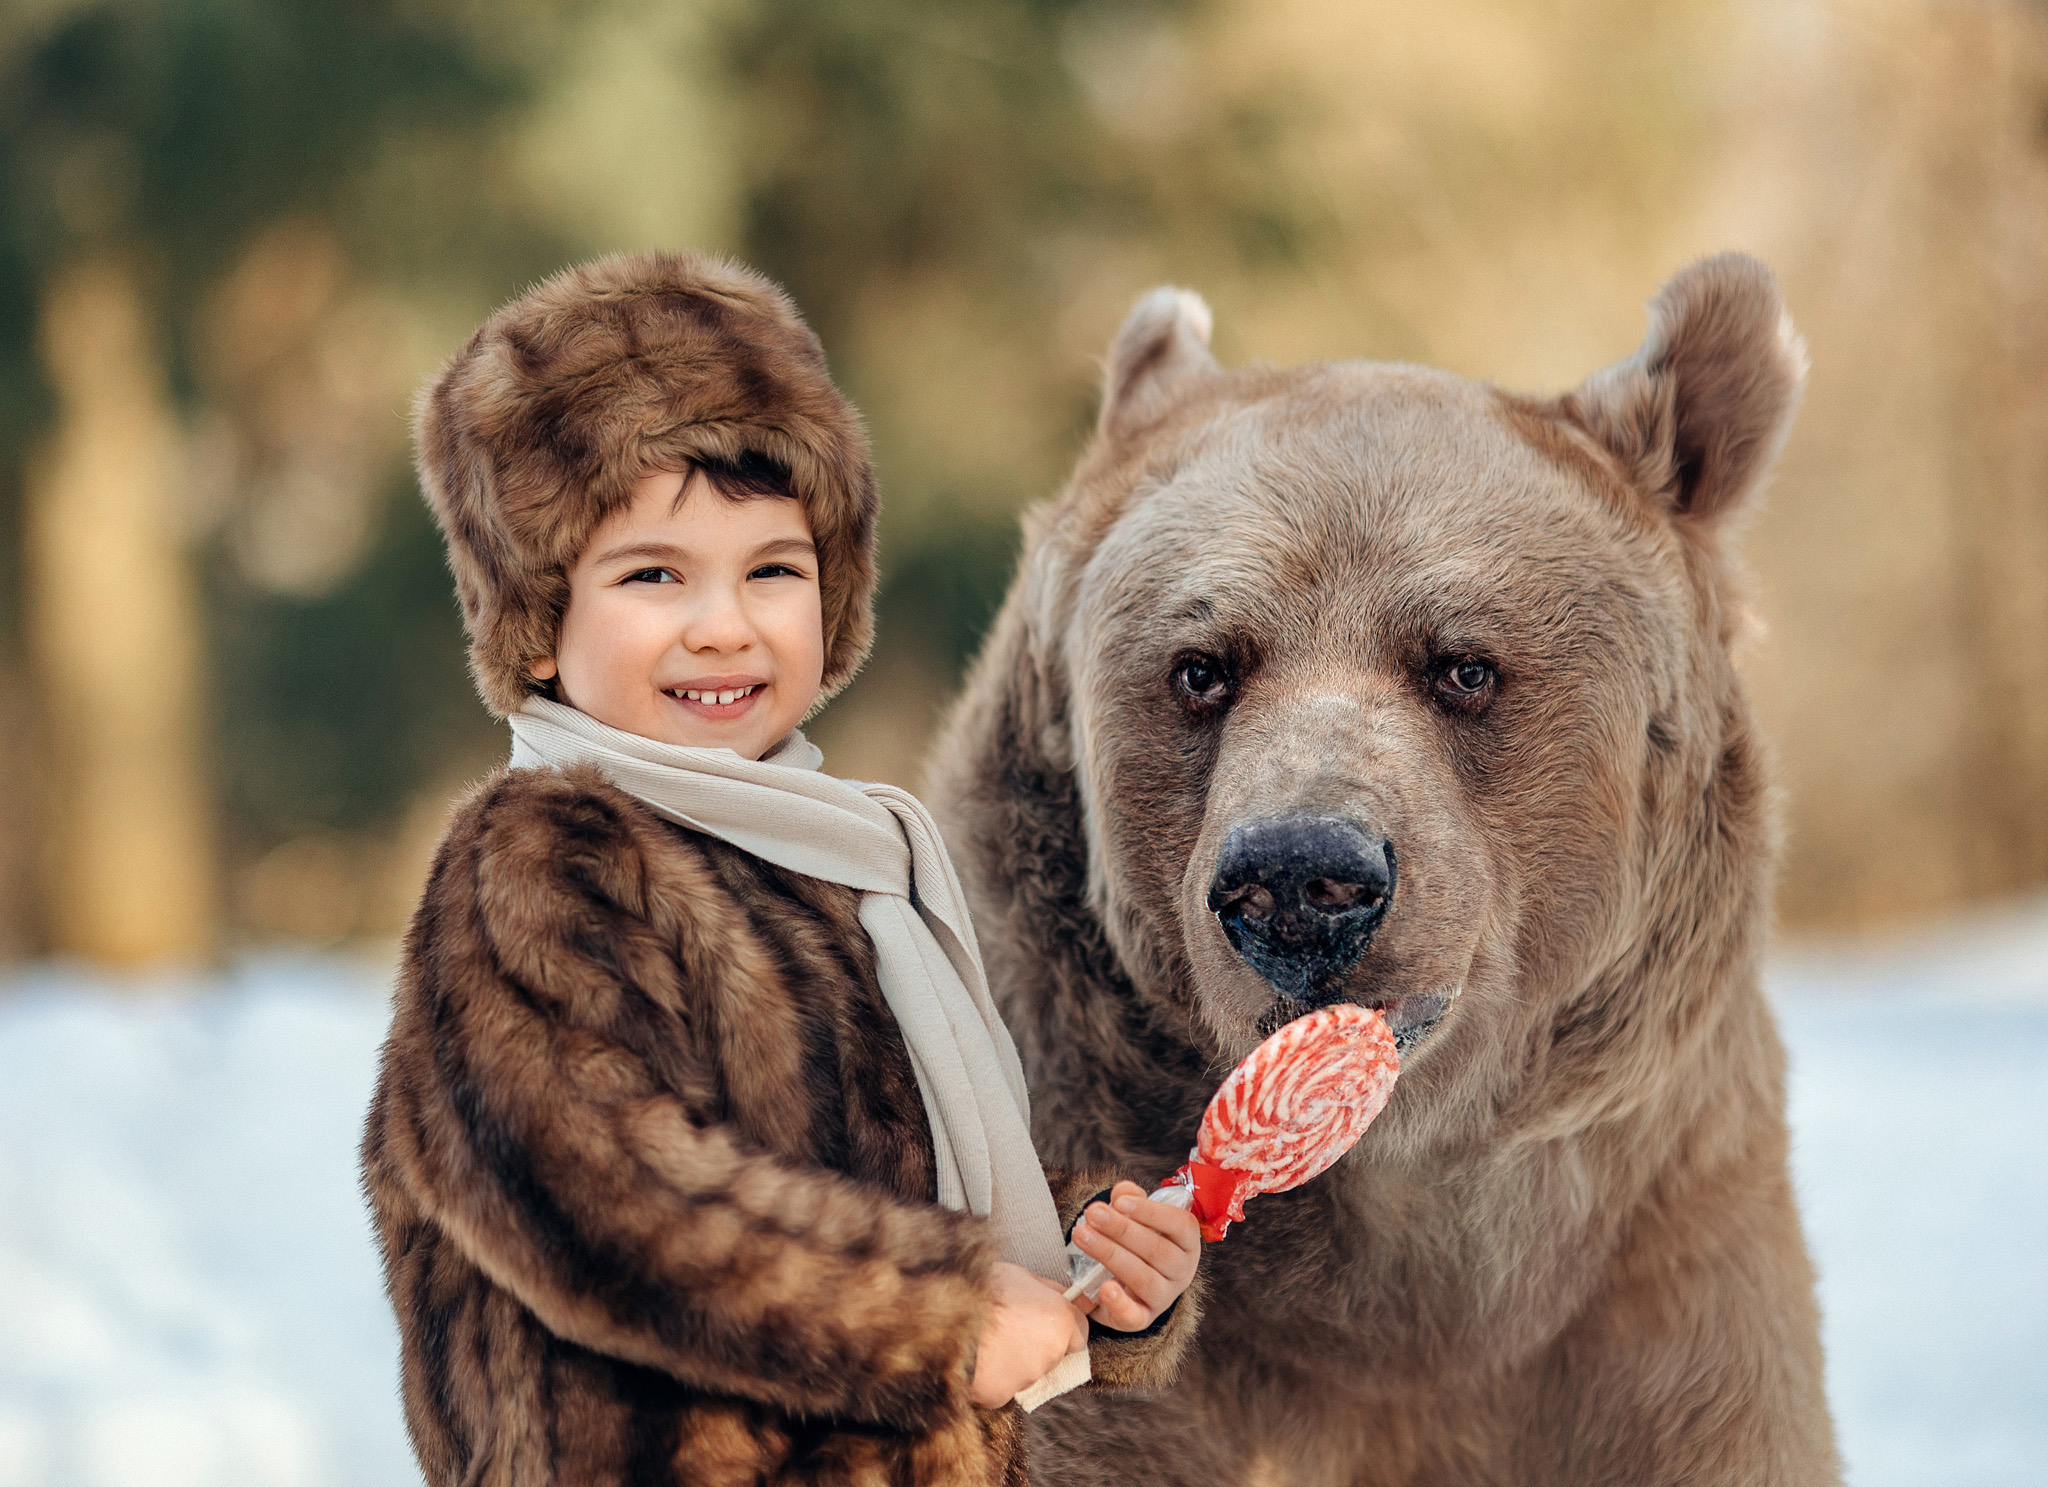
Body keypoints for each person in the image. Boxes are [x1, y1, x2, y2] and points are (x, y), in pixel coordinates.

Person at [360, 251, 1201, 1485]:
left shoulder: (839, 861)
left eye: (772, 569)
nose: (723, 623)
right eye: (653, 573)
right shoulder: (539, 861)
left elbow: (886, 1177)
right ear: (540, 618)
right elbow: (614, 1199)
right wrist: (939, 1315)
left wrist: (1086, 1249)